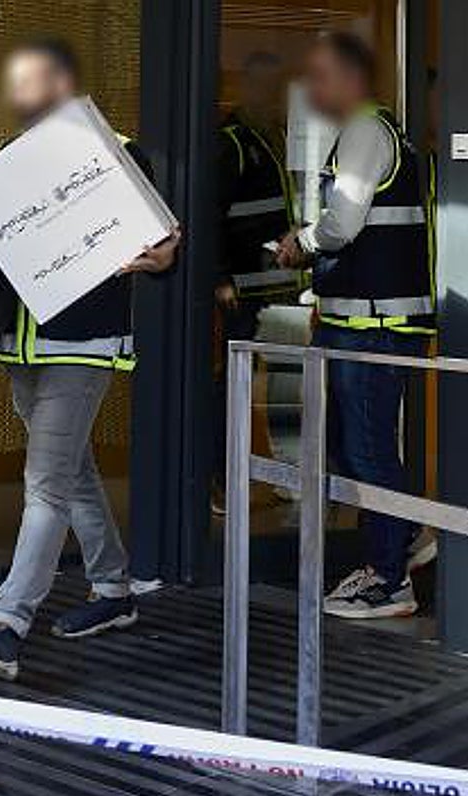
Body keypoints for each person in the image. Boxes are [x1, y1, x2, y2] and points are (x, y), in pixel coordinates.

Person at [0, 37, 180, 681]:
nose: (29, 93)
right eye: (22, 82)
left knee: (46, 482)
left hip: (81, 351)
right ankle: (113, 592)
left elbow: (164, 244)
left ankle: (7, 624)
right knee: (71, 472)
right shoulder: (8, 162)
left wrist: (163, 256)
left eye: (40, 80)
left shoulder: (117, 156)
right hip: (22, 347)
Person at [277, 32, 435, 619]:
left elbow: (341, 224)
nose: (313, 90)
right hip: (358, 318)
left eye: (319, 76)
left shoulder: (368, 131)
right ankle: (405, 535)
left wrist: (302, 243)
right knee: (351, 445)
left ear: (349, 79)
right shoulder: (369, 132)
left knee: (365, 447)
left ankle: (389, 580)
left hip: (372, 324)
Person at [212, 51, 301, 512]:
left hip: (279, 284)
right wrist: (220, 276)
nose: (272, 98)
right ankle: (224, 479)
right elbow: (210, 213)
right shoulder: (233, 143)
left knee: (287, 382)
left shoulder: (279, 138)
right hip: (244, 288)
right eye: (264, 88)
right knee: (236, 384)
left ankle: (289, 475)